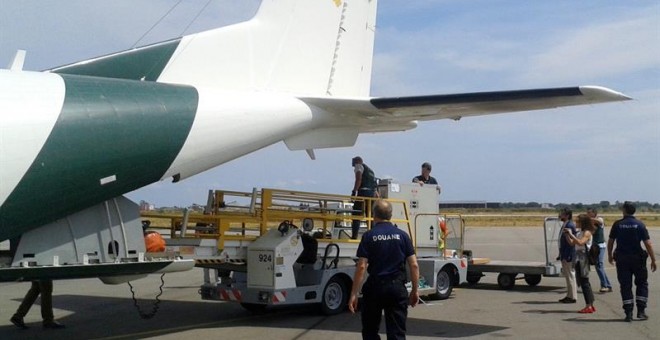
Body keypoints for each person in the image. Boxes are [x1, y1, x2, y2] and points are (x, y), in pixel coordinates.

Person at [349, 200, 419, 340]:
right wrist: (415, 290)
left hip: (375, 287)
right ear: (391, 215)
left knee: (370, 331)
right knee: (396, 333)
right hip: (396, 288)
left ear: (374, 215)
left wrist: (354, 294)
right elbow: (414, 265)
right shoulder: (403, 236)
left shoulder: (369, 236)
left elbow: (362, 266)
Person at [608, 201, 657, 322]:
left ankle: (628, 313)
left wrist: (609, 255)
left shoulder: (617, 224)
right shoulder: (639, 224)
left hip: (622, 259)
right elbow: (648, 244)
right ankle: (641, 311)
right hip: (637, 259)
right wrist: (653, 259)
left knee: (625, 285)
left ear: (624, 210)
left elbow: (611, 241)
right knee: (641, 283)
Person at [564, 214, 597, 313]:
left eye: (578, 222)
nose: (576, 223)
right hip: (578, 258)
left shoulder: (587, 232)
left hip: (583, 258)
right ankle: (590, 304)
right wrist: (566, 235)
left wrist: (571, 234)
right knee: (583, 282)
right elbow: (572, 243)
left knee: (584, 282)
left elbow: (580, 242)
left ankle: (589, 305)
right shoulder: (580, 232)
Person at [351, 156, 379, 239]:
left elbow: (358, 179)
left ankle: (354, 236)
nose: (352, 164)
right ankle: (373, 235)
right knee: (370, 215)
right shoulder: (370, 171)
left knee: (356, 213)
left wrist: (354, 191)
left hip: (363, 192)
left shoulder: (359, 166)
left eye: (352, 162)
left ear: (356, 161)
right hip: (371, 194)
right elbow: (375, 185)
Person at [587, 208, 613, 293]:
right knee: (598, 266)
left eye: (589, 213)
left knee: (599, 264)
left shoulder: (599, 219)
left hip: (600, 245)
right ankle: (608, 285)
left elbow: (600, 222)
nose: (588, 214)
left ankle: (604, 285)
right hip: (594, 246)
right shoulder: (590, 223)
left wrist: (588, 219)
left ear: (594, 214)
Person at [558, 207, 577, 304]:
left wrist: (568, 255)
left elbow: (572, 242)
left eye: (562, 213)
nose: (560, 215)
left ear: (567, 215)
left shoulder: (570, 225)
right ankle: (569, 295)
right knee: (568, 276)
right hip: (564, 254)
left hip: (568, 255)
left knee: (570, 276)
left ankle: (573, 296)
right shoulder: (565, 224)